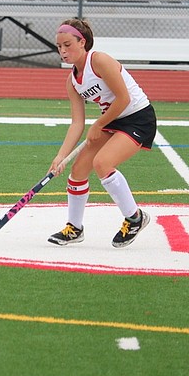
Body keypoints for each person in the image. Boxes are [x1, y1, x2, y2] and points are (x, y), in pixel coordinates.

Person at [48, 18, 156, 248]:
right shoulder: (72, 81)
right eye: (59, 46)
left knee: (102, 162)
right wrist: (60, 156)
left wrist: (98, 125)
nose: (63, 51)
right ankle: (74, 228)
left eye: (67, 44)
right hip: (112, 120)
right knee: (77, 169)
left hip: (138, 118)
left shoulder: (100, 60)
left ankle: (135, 218)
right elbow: (77, 123)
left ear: (82, 42)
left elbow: (123, 98)